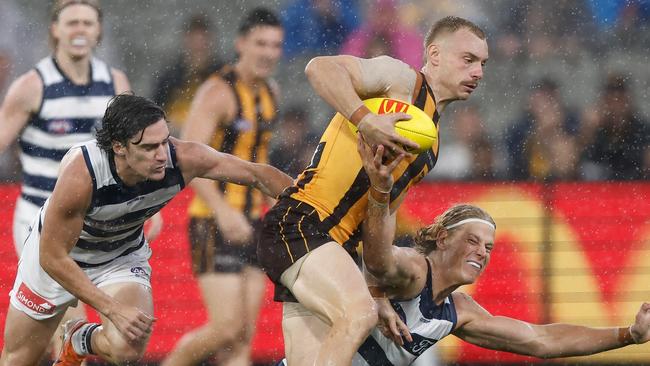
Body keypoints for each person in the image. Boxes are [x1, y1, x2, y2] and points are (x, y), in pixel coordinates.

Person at [257, 16, 489, 365]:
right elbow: (319, 68)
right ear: (435, 54)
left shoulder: (432, 145)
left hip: (336, 249)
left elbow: (380, 216)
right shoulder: (401, 79)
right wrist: (365, 119)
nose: (478, 73)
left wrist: (376, 290)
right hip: (302, 224)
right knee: (360, 315)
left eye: (483, 64)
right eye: (468, 59)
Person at [0, 94, 293, 366]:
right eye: (149, 147)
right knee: (17, 358)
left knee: (127, 347)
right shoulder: (82, 174)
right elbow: (52, 257)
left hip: (120, 256)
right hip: (60, 258)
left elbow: (257, 174)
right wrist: (112, 309)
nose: (162, 155)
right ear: (118, 147)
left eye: (164, 141)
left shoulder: (183, 158)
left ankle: (80, 339)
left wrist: (308, 204)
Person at [347, 137, 650, 365]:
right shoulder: (415, 269)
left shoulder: (459, 311)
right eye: (473, 241)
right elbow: (377, 259)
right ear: (442, 238)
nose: (483, 252)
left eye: (489, 247)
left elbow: (541, 341)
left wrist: (626, 335)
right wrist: (381, 189)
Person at [162, 7, 284, 366]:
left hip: (253, 222)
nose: (268, 52)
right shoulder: (217, 91)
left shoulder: (271, 91)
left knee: (243, 337)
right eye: (260, 43)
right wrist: (223, 211)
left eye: (276, 45)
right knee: (226, 327)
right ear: (241, 43)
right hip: (214, 221)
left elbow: (255, 160)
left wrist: (272, 201)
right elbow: (187, 159)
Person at [152, 13, 223, 137]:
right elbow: (154, 112)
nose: (199, 46)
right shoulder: (170, 76)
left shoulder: (221, 75)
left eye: (203, 40)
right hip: (174, 138)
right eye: (195, 40)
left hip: (212, 139)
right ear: (186, 40)